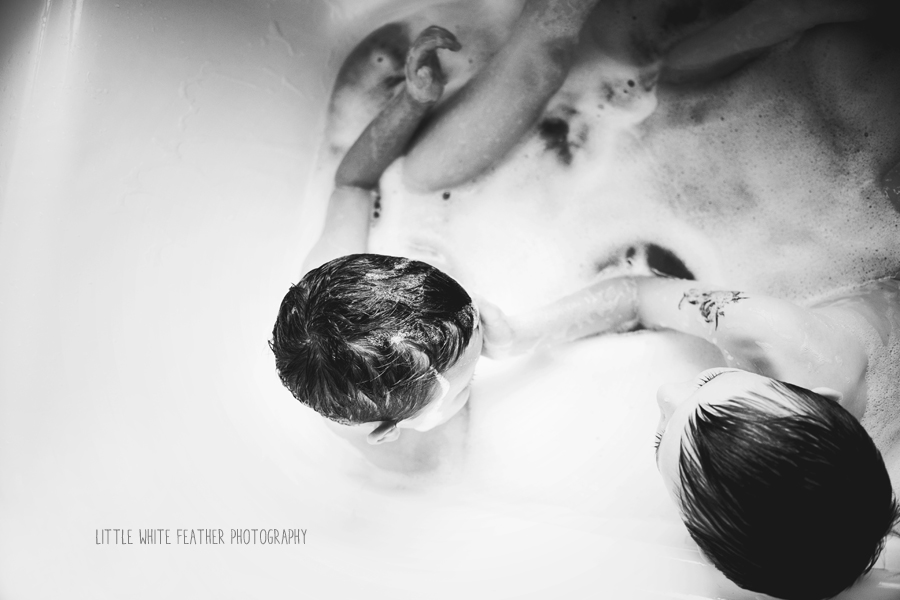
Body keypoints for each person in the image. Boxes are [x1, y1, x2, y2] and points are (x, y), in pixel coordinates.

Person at [271, 0, 602, 445]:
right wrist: (523, 337)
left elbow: (353, 183)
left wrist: (413, 101)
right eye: (469, 380)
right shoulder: (414, 453)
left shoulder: (332, 284)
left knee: (532, 70)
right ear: (386, 433)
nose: (471, 379)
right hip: (465, 209)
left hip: (425, 194)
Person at [481, 274, 900, 599]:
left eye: (660, 440)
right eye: (708, 380)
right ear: (818, 398)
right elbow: (637, 295)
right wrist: (519, 334)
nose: (665, 393)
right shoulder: (767, 330)